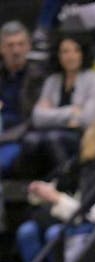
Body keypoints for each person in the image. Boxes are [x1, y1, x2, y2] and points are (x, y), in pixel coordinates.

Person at [17, 114, 95, 262]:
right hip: (65, 219)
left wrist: (57, 198)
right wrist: (40, 190)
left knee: (55, 234)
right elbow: (56, 185)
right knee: (27, 231)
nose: (84, 141)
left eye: (88, 136)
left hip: (87, 226)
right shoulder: (75, 166)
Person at [20, 34, 95, 176]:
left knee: (54, 138)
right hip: (52, 132)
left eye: (76, 50)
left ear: (83, 53)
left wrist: (51, 114)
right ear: (58, 55)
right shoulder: (52, 81)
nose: (70, 56)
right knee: (30, 140)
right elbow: (37, 117)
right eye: (65, 51)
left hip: (85, 135)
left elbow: (87, 119)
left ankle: (66, 184)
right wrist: (71, 111)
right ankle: (31, 187)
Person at [0, 20, 48, 176]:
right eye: (10, 45)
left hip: (19, 137)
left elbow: (35, 119)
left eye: (21, 44)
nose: (16, 51)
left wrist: (5, 137)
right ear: (1, 48)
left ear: (28, 47)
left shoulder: (38, 77)